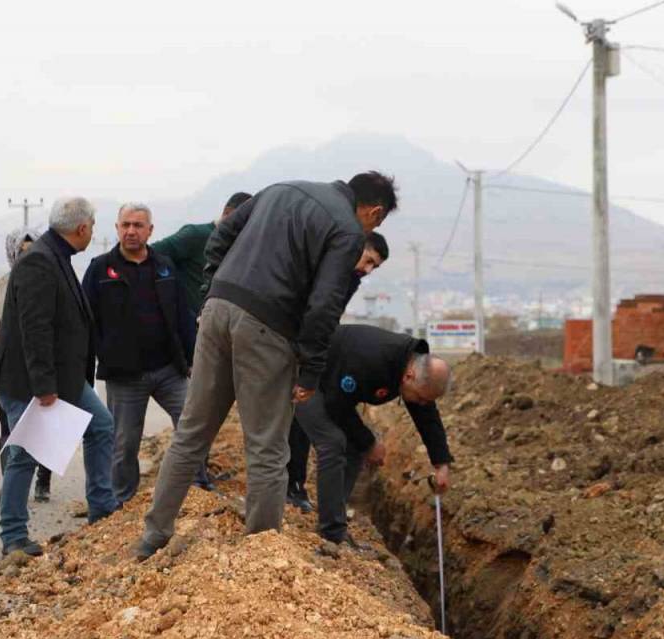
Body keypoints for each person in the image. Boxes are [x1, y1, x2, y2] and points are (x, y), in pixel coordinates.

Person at [135, 172, 399, 560]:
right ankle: (261, 551)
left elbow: (221, 236)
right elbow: (324, 304)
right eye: (376, 222)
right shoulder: (346, 229)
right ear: (374, 211)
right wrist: (310, 371)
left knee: (191, 433)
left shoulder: (280, 189)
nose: (371, 229)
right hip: (268, 328)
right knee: (267, 445)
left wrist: (212, 290)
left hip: (217, 313)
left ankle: (153, 536)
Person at [0, 197, 117, 557]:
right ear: (82, 228)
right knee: (25, 453)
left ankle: (103, 509)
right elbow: (34, 327)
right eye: (93, 225)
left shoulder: (56, 257)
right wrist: (44, 387)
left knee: (101, 426)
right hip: (29, 381)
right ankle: (13, 537)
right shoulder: (40, 262)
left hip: (64, 378)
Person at [294, 324, 453, 546]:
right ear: (409, 377)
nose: (423, 404)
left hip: (332, 382)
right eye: (421, 398)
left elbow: (427, 416)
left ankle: (334, 522)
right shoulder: (371, 361)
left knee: (353, 446)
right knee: (333, 442)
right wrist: (369, 443)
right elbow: (336, 404)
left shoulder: (415, 371)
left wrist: (441, 463)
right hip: (307, 375)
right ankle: (329, 531)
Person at [82, 203, 198, 507]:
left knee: (193, 426)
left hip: (169, 370)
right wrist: (92, 359)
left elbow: (183, 315)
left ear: (150, 231)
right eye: (126, 225)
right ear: (117, 228)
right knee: (124, 445)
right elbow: (84, 319)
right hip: (125, 376)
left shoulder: (164, 267)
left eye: (138, 225)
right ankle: (123, 503)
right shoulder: (100, 269)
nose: (131, 231)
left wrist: (192, 359)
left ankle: (197, 490)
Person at [149, 190, 252, 490]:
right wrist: (172, 299)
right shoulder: (196, 235)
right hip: (189, 336)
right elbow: (154, 254)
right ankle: (191, 479)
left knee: (204, 406)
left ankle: (199, 474)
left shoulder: (236, 249)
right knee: (193, 409)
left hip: (214, 335)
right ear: (230, 214)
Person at [286, 231, 389, 513]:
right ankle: (287, 487)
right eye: (368, 260)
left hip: (312, 349)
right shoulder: (329, 263)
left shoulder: (350, 279)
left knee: (301, 418)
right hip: (290, 342)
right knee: (300, 420)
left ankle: (293, 486)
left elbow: (331, 315)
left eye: (374, 267)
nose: (367, 270)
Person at [0, 228, 54, 503]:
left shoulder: (49, 281)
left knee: (44, 428)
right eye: (22, 250)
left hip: (42, 369)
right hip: (9, 371)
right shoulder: (2, 285)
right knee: (9, 430)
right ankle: (11, 485)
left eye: (33, 249)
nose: (28, 255)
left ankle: (42, 483)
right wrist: (2, 344)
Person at [151, 192, 252, 317]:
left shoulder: (240, 248)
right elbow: (151, 252)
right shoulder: (195, 235)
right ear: (228, 212)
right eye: (244, 220)